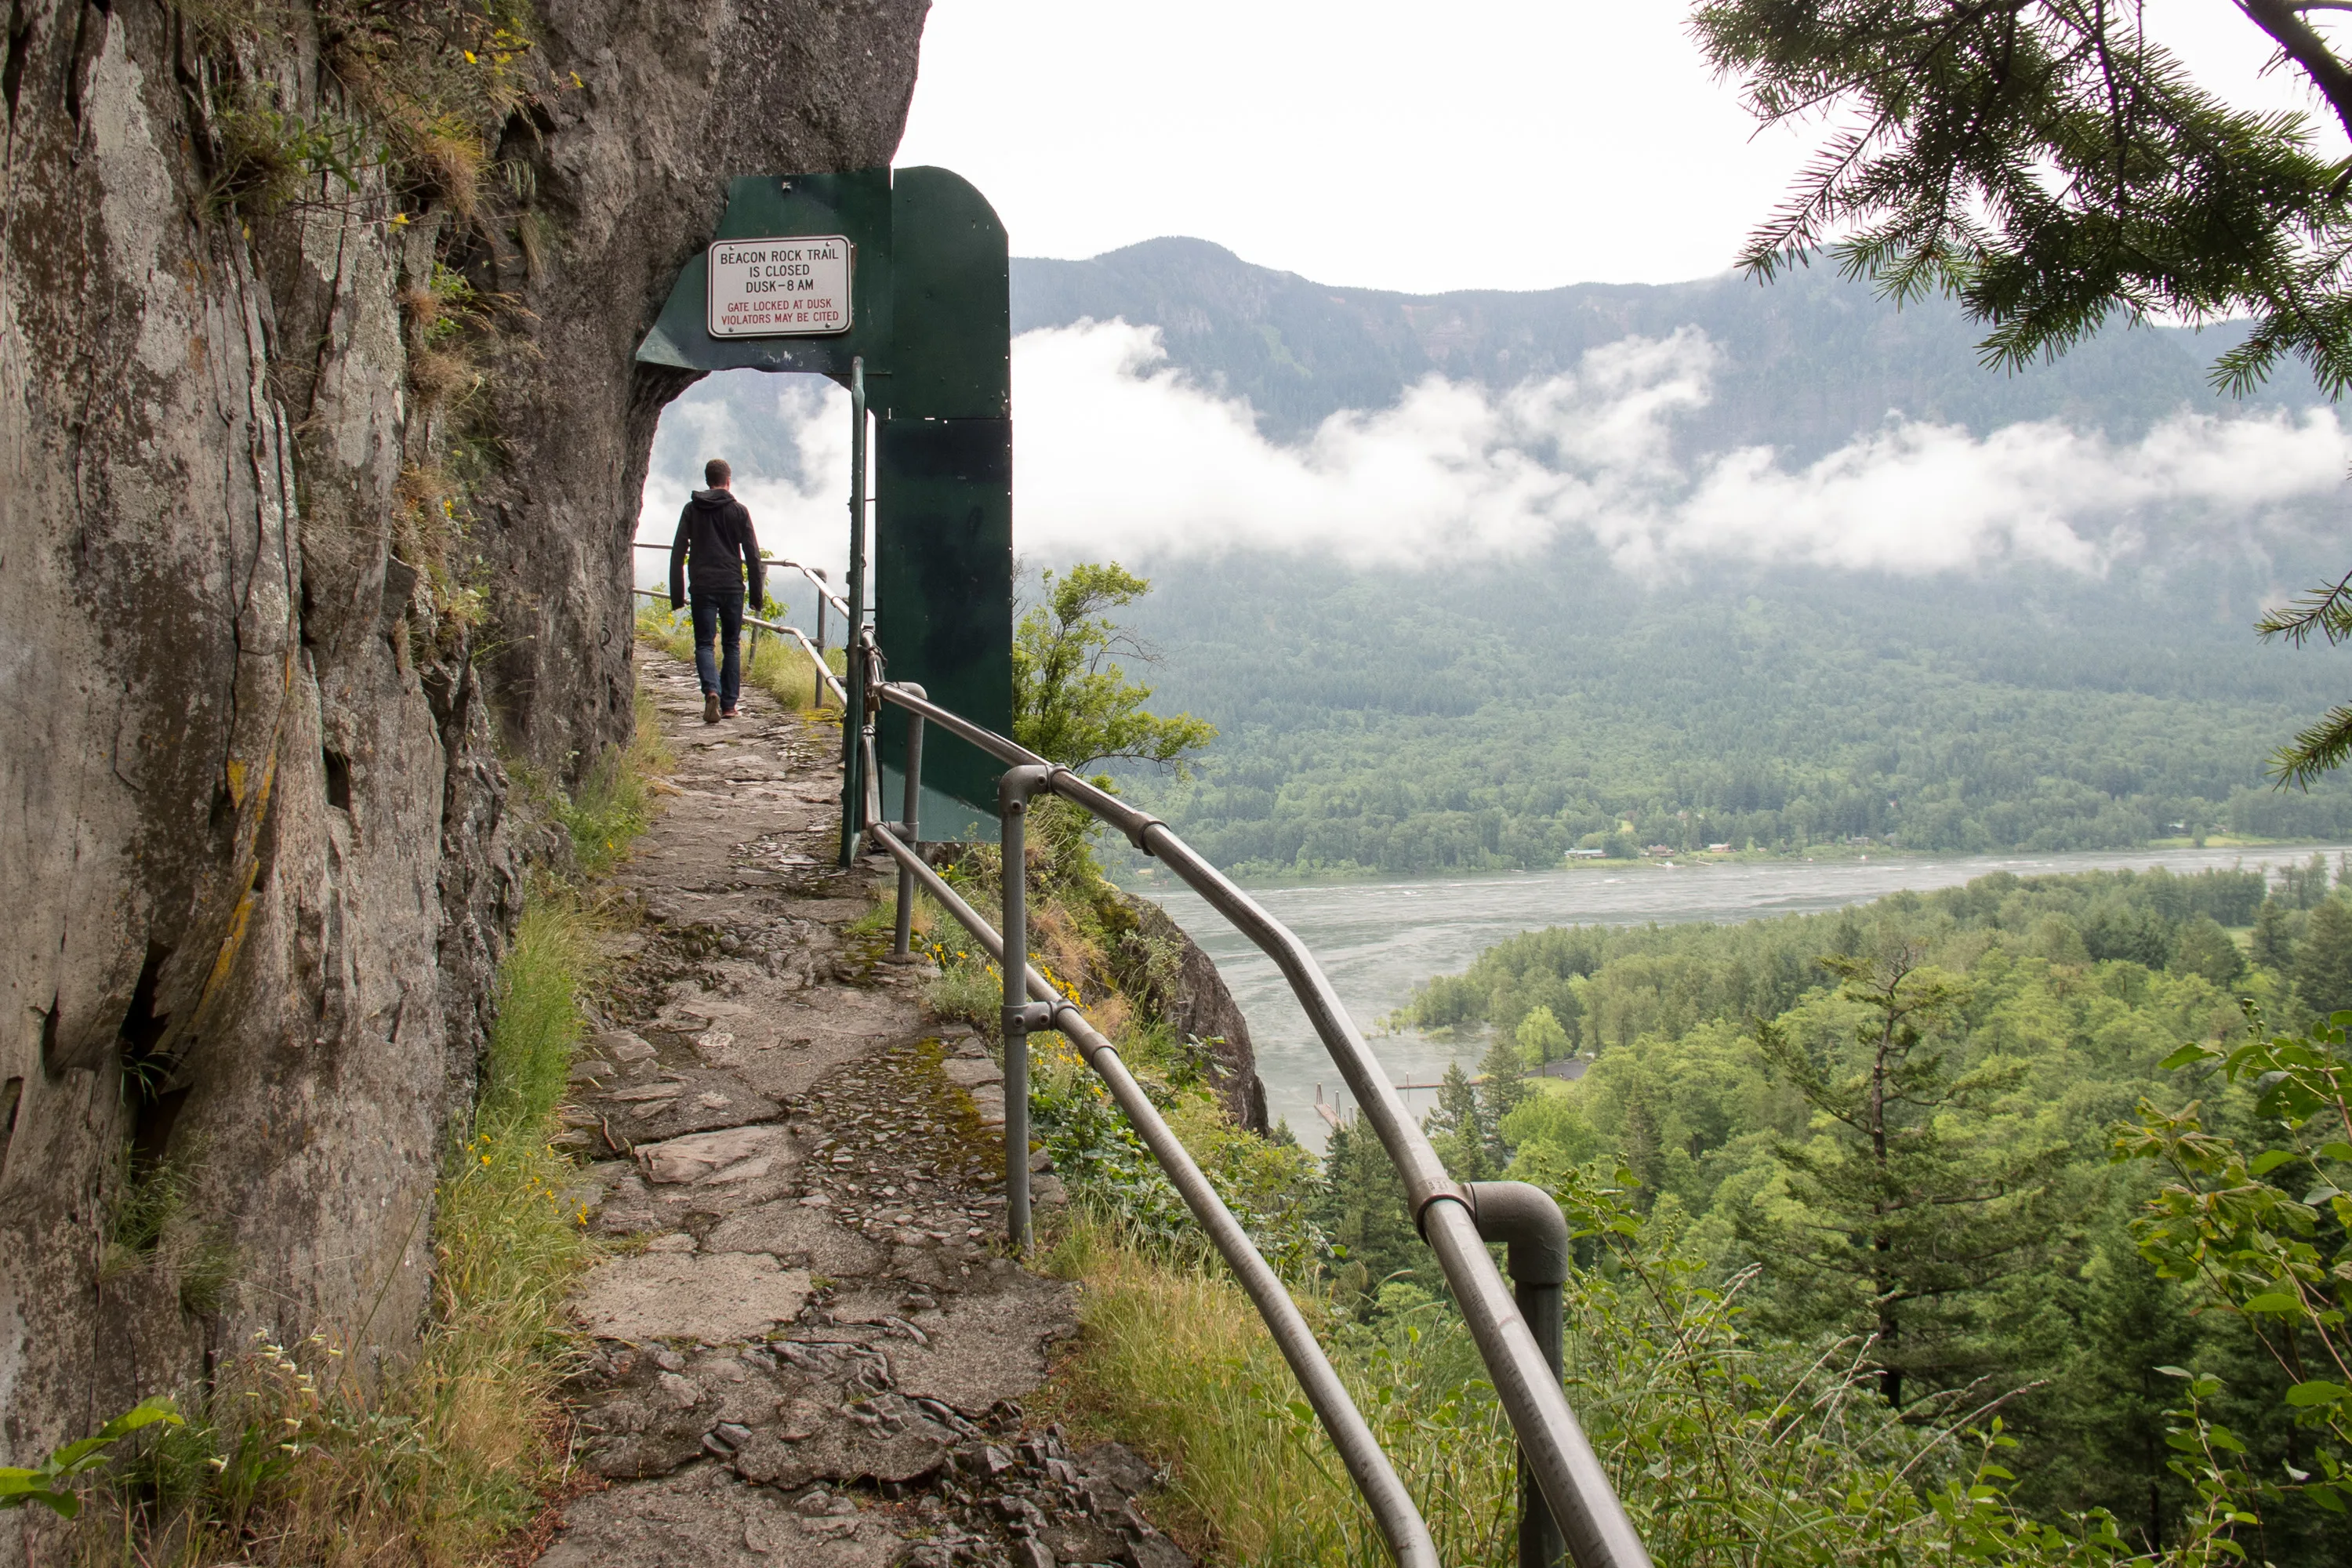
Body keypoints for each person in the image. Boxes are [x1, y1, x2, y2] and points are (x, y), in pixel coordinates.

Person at [668, 458, 764, 722]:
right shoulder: (739, 511)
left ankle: (711, 690)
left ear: (707, 480)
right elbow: (753, 555)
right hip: (732, 586)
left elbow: (678, 551)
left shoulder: (691, 509)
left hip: (702, 586)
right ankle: (730, 706)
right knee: (731, 645)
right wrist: (757, 596)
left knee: (704, 643)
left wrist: (677, 595)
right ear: (728, 480)